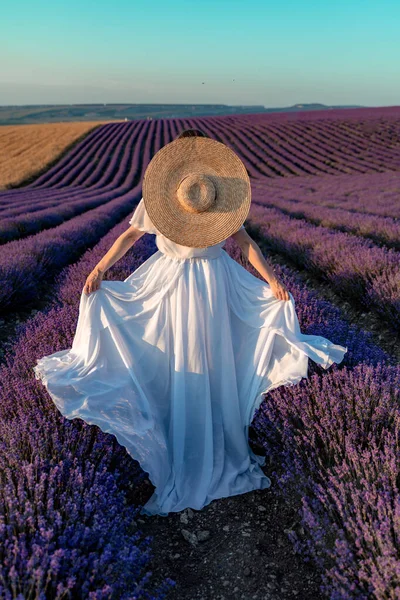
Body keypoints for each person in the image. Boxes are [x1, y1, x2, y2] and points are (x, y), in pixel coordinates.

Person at [33, 128, 347, 517]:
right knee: (181, 358)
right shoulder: (163, 197)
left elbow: (244, 243)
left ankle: (201, 438)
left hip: (207, 282)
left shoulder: (216, 194)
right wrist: (99, 268)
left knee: (210, 358)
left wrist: (273, 282)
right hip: (185, 282)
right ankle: (183, 436)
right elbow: (131, 235)